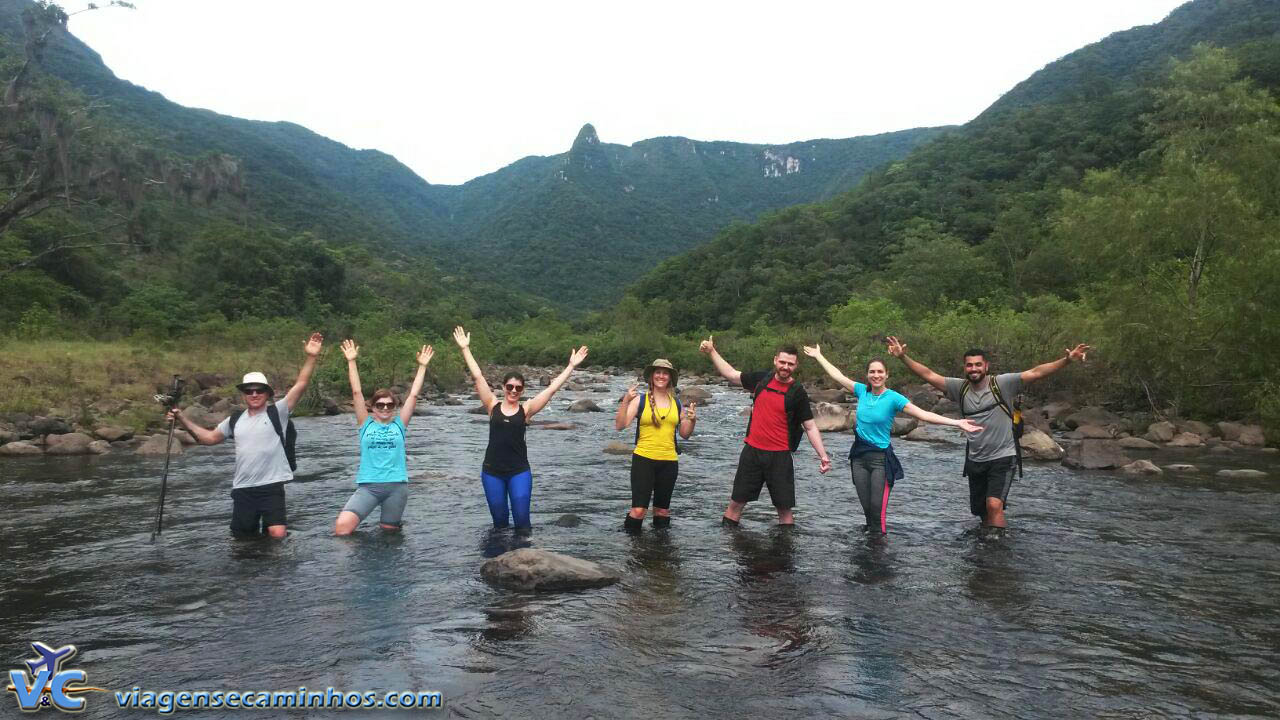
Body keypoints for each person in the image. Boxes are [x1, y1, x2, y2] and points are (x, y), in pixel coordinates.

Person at [886, 337, 1091, 528]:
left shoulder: (1003, 384)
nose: (973, 369)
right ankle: (988, 546)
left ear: (986, 366)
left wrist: (1067, 360)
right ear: (965, 367)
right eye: (969, 365)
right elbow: (929, 375)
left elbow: (1037, 372)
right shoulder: (960, 388)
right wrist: (903, 357)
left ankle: (997, 548)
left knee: (994, 505)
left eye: (977, 365)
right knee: (981, 511)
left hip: (1003, 456)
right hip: (976, 458)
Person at [802, 345, 983, 534]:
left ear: (887, 375)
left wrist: (957, 423)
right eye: (872, 372)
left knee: (877, 512)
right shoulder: (862, 391)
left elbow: (924, 414)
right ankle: (867, 554)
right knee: (867, 511)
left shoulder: (894, 398)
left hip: (881, 461)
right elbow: (838, 375)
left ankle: (880, 551)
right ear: (867, 375)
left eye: (880, 372)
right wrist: (819, 356)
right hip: (859, 459)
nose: (876, 375)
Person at [168, 332, 324, 537]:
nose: (254, 394)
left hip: (271, 487)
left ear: (267, 393)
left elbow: (301, 385)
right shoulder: (234, 420)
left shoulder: (278, 411)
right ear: (244, 394)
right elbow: (209, 438)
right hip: (243, 488)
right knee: (243, 541)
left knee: (277, 535)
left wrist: (311, 356)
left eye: (259, 390)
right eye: (249, 391)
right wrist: (181, 418)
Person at [453, 326, 589, 530]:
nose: (513, 391)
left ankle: (523, 557)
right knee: (499, 521)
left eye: (518, 388)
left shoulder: (526, 409)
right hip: (492, 472)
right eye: (510, 387)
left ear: (522, 390)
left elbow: (551, 390)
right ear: (503, 388)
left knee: (522, 520)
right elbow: (478, 377)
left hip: (519, 471)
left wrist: (571, 366)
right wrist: (465, 349)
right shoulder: (492, 405)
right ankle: (500, 559)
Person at [699, 335, 831, 526]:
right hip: (752, 452)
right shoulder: (761, 379)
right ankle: (729, 550)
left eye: (790, 364)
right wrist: (712, 351)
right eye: (783, 362)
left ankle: (785, 552)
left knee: (784, 509)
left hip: (780, 457)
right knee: (736, 503)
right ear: (775, 360)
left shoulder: (797, 392)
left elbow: (809, 426)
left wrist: (823, 455)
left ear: (796, 365)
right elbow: (731, 374)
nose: (786, 367)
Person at [333, 339, 434, 535]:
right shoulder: (365, 424)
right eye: (380, 405)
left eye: (389, 405)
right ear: (373, 407)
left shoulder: (399, 424)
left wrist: (422, 366)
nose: (385, 408)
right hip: (369, 486)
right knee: (342, 528)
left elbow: (412, 396)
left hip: (397, 487)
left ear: (394, 407)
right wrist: (351, 361)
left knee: (389, 535)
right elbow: (356, 392)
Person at [614, 359, 697, 531]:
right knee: (638, 511)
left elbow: (684, 434)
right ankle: (631, 548)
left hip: (669, 461)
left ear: (670, 378)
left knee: (662, 511)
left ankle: (659, 550)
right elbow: (620, 426)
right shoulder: (640, 400)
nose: (661, 376)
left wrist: (692, 420)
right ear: (652, 377)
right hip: (644, 459)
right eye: (657, 372)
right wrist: (626, 401)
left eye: (665, 373)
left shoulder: (677, 403)